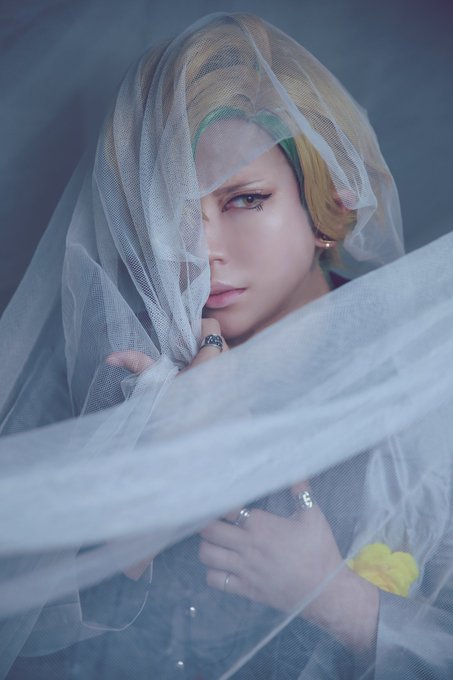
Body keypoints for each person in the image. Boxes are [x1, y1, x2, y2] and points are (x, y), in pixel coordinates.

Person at [2, 11, 453, 680]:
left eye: (244, 200)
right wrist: (169, 469)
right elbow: (35, 630)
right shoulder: (119, 361)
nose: (199, 249)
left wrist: (338, 600)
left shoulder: (423, 373)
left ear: (323, 206)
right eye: (172, 213)